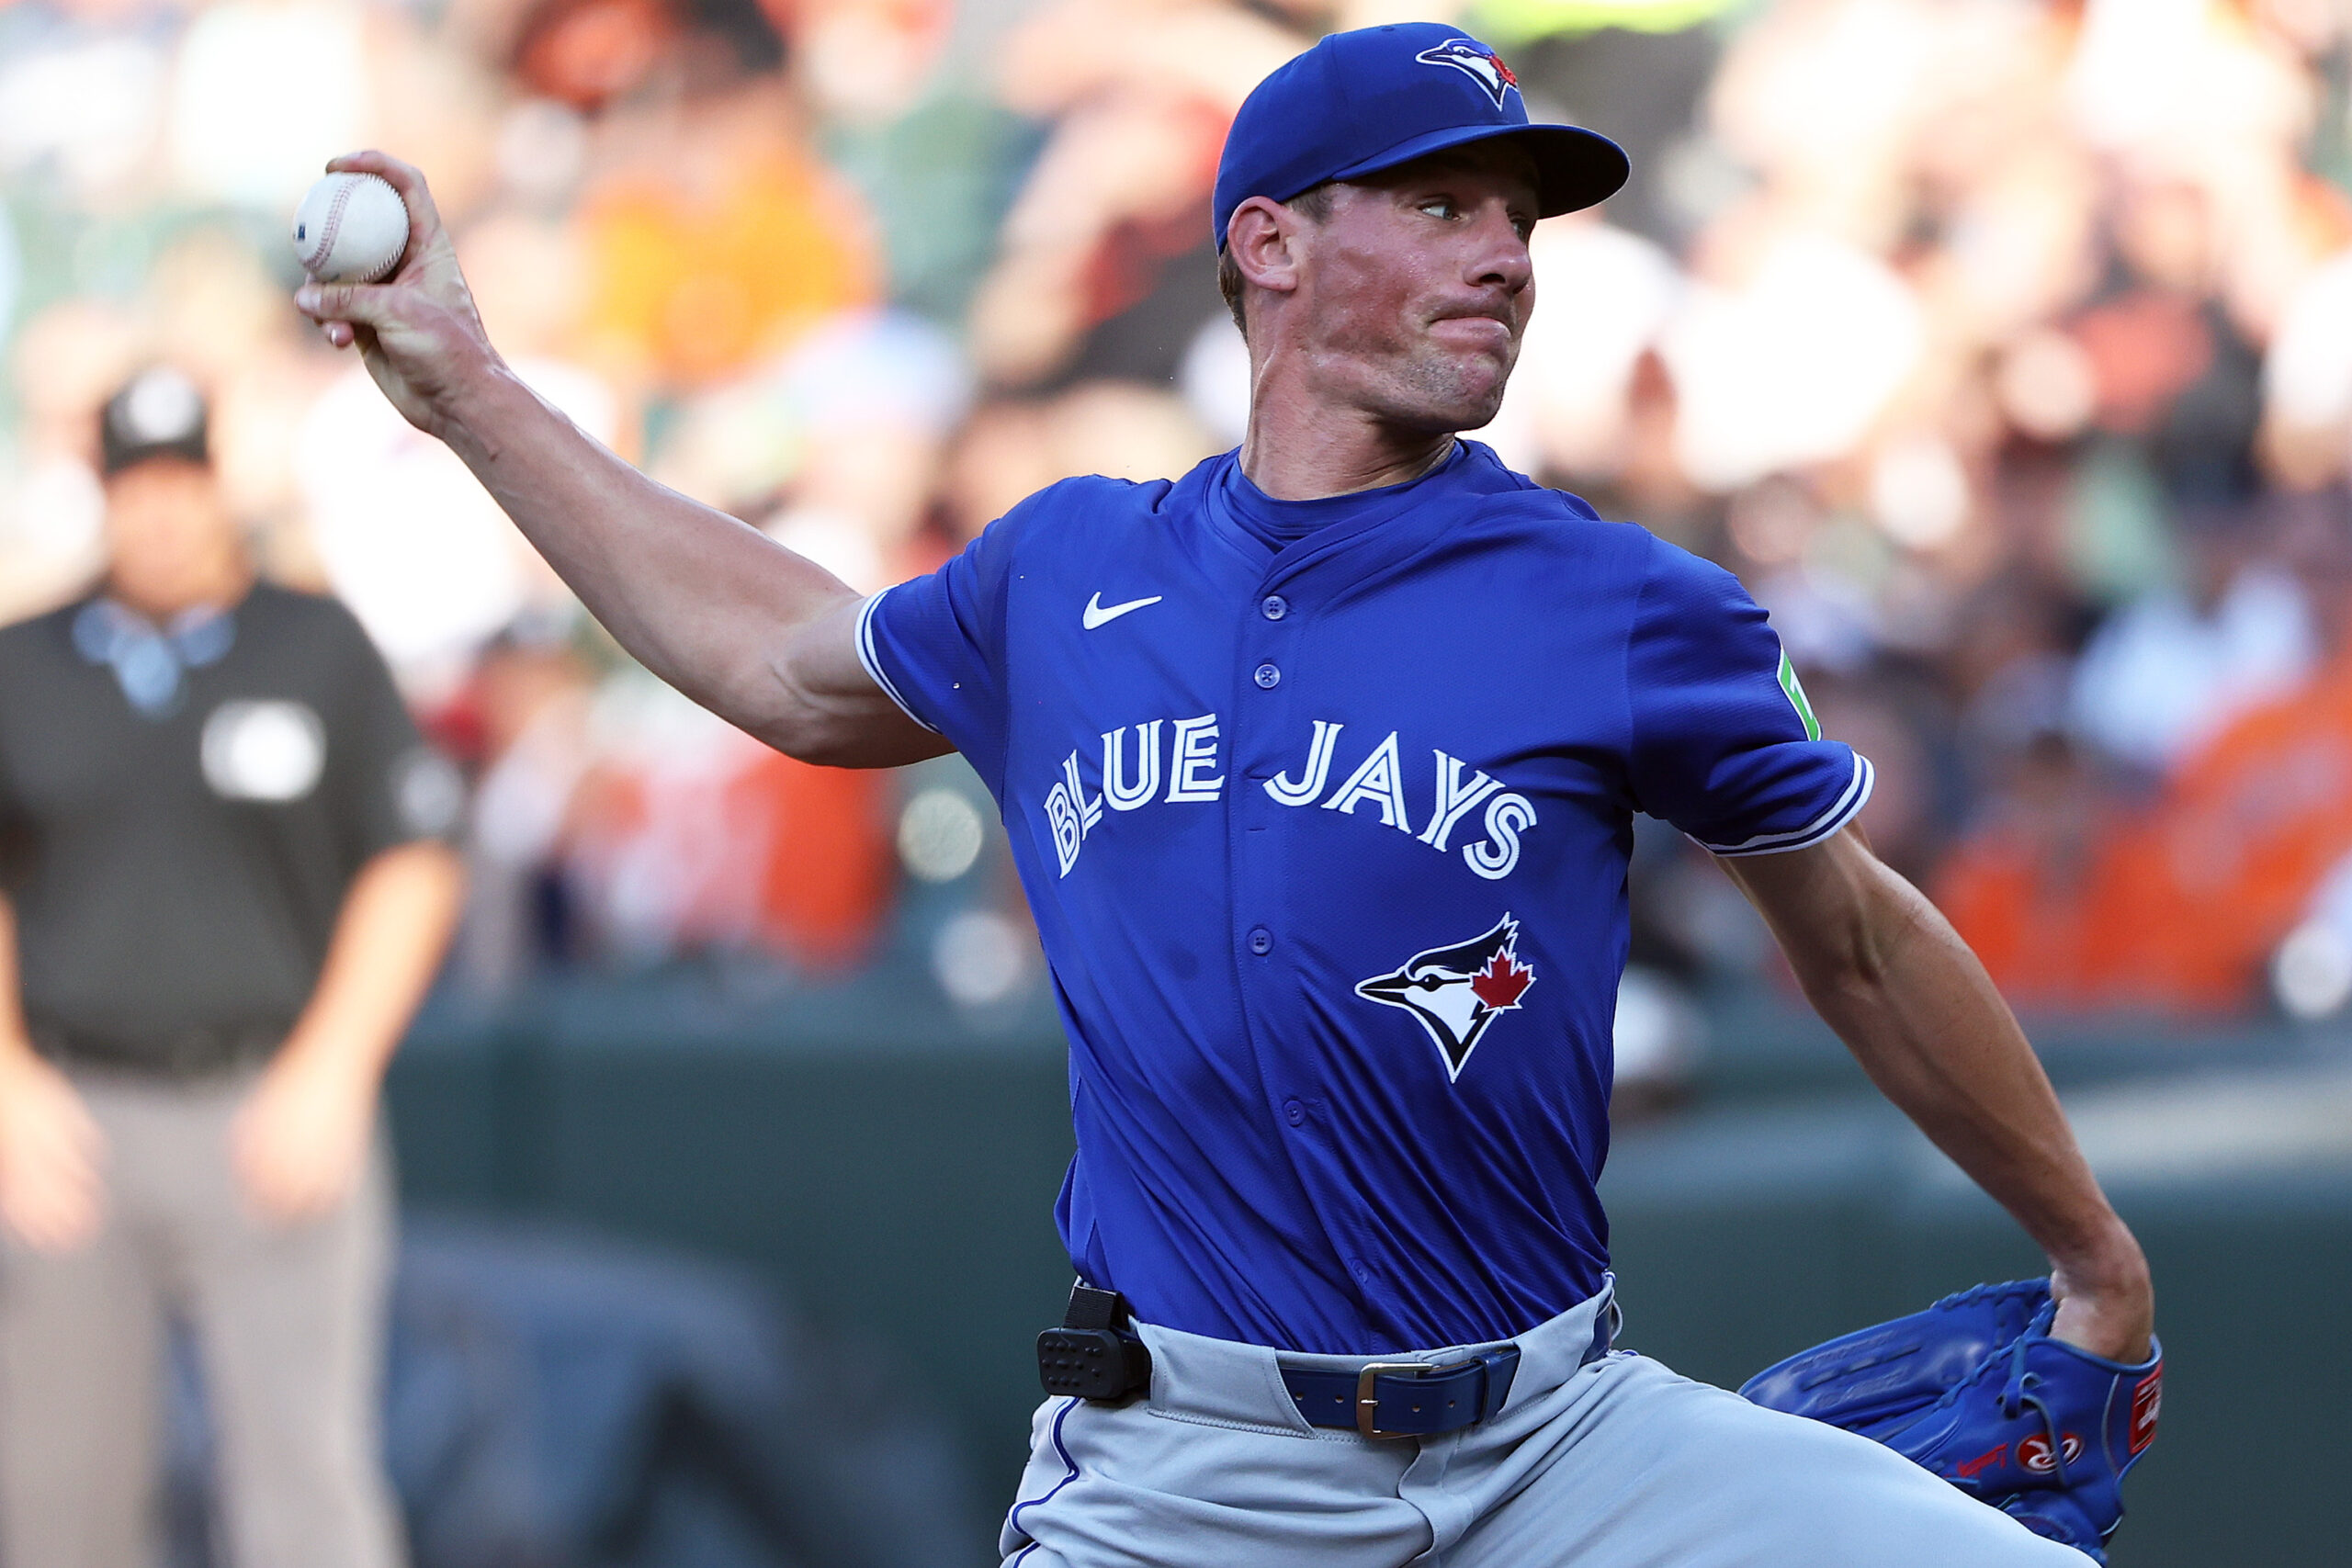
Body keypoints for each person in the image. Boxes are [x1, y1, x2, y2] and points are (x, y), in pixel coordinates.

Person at [296, 23, 2153, 1565]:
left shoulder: (1621, 603)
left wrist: (2086, 1245)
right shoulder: (1063, 572)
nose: (1503, 253)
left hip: (1568, 1443)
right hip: (1194, 1471)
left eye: (1515, 217)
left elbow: (1854, 936)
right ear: (1267, 244)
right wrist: (467, 390)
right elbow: (778, 661)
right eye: (1439, 205)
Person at [0, 367, 465, 1568]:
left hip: (272, 1105)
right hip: (73, 1117)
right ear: (102, 494)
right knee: (55, 1502)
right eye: (134, 483)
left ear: (219, 486)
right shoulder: (25, 663)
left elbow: (413, 861)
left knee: (306, 1494)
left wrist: (333, 1067)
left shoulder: (312, 645)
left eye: (182, 479)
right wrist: (5, 1080)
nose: (160, 511)